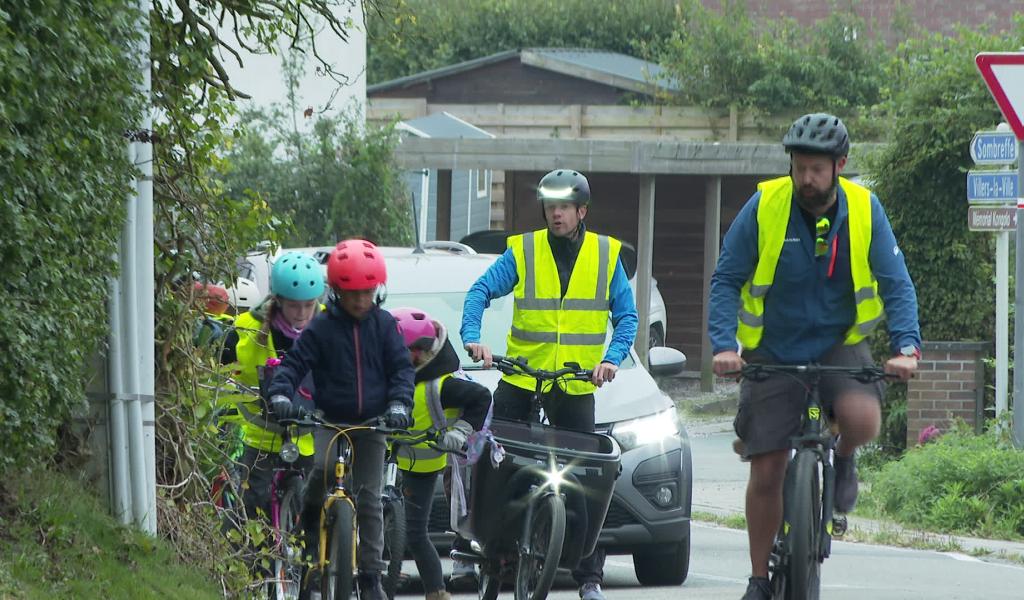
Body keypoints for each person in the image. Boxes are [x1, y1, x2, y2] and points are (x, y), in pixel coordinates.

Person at [707, 113, 921, 600]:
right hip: (773, 348)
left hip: (837, 341)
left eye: (817, 169)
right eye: (799, 167)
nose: (806, 178)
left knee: (862, 419)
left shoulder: (866, 209)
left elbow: (896, 284)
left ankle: (843, 457)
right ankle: (759, 579)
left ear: (839, 165)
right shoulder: (765, 205)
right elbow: (726, 280)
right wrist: (723, 345)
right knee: (767, 468)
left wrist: (907, 347)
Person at [460, 169, 638, 600]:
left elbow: (627, 318)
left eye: (564, 207)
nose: (555, 214)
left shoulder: (605, 254)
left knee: (589, 479)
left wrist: (611, 360)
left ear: (582, 211)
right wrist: (473, 337)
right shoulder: (523, 250)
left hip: (575, 384)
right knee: (491, 462)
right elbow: (480, 291)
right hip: (522, 376)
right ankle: (476, 549)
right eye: (550, 207)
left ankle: (589, 576)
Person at [267, 239, 415, 600]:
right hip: (330, 422)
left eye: (366, 292)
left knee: (369, 499)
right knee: (319, 475)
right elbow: (294, 364)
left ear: (376, 290)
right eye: (351, 294)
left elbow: (401, 370)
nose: (360, 301)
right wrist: (281, 394)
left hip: (373, 425)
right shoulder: (321, 328)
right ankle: (308, 559)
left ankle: (370, 577)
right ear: (335, 291)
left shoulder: (383, 326)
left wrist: (399, 405)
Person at [389, 307, 491, 600]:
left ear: (419, 353)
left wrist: (459, 433)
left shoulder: (442, 384)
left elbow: (482, 398)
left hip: (422, 462)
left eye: (399, 352)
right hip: (385, 455)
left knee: (416, 532)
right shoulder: (393, 372)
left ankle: (436, 592)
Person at [221, 251, 324, 525]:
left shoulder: (330, 328)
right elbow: (219, 363)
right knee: (252, 507)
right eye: (293, 306)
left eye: (308, 305)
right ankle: (249, 565)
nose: (302, 314)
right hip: (262, 433)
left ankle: (314, 564)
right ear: (277, 300)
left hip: (309, 436)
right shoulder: (247, 328)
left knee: (317, 510)